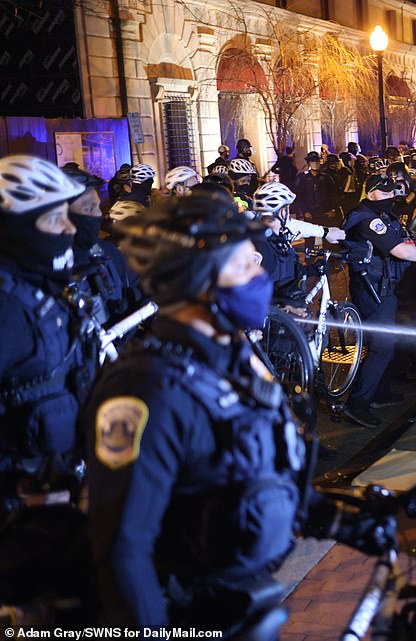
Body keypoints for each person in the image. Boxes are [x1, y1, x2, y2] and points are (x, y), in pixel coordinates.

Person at [82, 190, 395, 630]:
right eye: (245, 265)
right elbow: (123, 547)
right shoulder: (147, 390)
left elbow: (265, 474)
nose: (259, 276)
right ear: (199, 278)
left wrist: (343, 523)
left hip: (243, 596)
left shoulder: (234, 361)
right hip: (188, 607)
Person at [0, 155, 98, 611]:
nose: (69, 230)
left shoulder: (42, 288)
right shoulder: (6, 310)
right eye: (54, 218)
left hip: (57, 510)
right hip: (19, 531)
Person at [340, 174, 416, 428]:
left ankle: (379, 393)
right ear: (370, 193)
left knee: (387, 342)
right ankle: (357, 405)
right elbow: (399, 250)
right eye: (385, 193)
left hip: (384, 287)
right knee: (382, 347)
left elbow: (402, 239)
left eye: (393, 192)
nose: (391, 197)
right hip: (372, 291)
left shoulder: (381, 216)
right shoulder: (367, 220)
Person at [63, 166, 145, 327]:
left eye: (97, 207)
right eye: (89, 208)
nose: (97, 215)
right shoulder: (44, 266)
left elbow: (135, 288)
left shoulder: (107, 252)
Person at [251, 182, 344, 300]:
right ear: (281, 212)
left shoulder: (264, 236)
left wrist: (310, 270)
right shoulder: (265, 245)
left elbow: (285, 272)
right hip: (276, 312)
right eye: (287, 209)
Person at [292, 151, 338, 223]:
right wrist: (304, 211)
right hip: (310, 214)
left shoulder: (326, 177)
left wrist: (333, 209)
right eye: (312, 161)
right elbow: (299, 196)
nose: (315, 163)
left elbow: (334, 194)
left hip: (325, 213)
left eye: (317, 161)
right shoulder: (303, 177)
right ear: (309, 163)